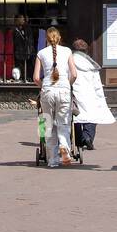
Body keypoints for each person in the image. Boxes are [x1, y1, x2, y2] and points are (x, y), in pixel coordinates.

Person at [33, 26, 77, 167]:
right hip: (64, 89)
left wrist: (43, 87)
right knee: (63, 123)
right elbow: (74, 74)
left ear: (47, 39)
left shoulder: (41, 53)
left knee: (47, 124)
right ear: (59, 38)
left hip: (47, 90)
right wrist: (67, 85)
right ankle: (64, 146)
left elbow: (35, 78)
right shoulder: (67, 51)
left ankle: (52, 160)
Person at [70, 39, 115, 150]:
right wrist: (99, 97)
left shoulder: (70, 62)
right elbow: (97, 84)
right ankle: (88, 137)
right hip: (89, 94)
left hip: (74, 93)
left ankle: (78, 140)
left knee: (74, 118)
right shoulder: (91, 65)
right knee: (91, 117)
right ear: (86, 51)